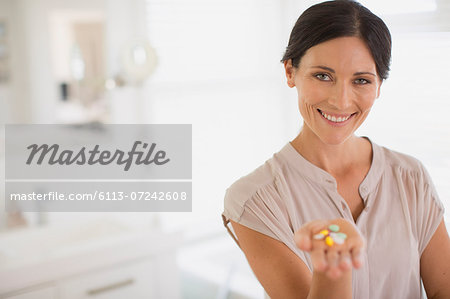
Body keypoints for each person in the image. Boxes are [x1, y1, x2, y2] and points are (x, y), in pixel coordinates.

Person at [221, 1, 450, 298]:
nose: (341, 102)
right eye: (323, 76)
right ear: (290, 71)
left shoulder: (410, 176)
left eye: (361, 80)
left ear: (379, 85)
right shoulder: (254, 199)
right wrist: (333, 267)